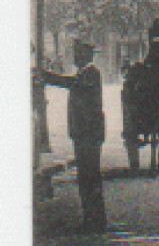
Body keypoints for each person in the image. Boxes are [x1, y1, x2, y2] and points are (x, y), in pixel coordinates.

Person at [38, 39, 107, 233]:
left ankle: (95, 221)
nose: (76, 57)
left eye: (78, 53)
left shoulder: (91, 74)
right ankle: (92, 219)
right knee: (86, 177)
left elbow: (72, 84)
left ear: (87, 54)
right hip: (83, 133)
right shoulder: (85, 74)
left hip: (89, 134)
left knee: (89, 177)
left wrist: (48, 77)